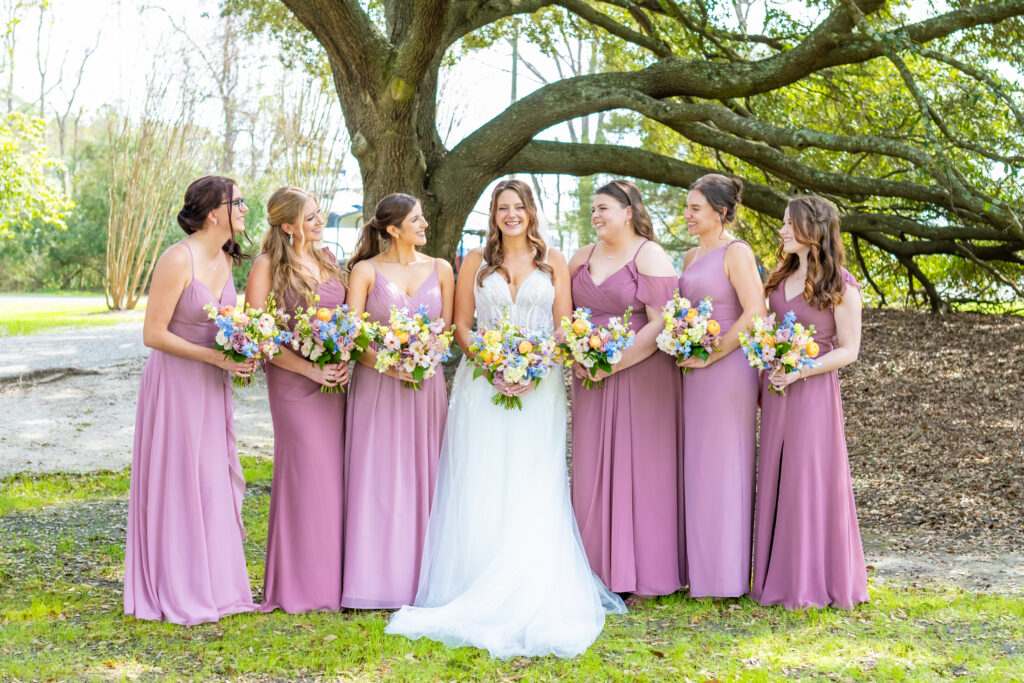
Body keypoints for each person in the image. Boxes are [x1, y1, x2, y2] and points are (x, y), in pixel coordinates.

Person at [386, 179, 626, 658]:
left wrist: (534, 370)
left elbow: (563, 325)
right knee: (484, 476)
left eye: (518, 207)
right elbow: (460, 326)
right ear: (492, 214)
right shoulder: (475, 261)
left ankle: (533, 581)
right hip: (483, 383)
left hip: (541, 387)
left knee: (534, 478)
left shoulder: (552, 260)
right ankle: (476, 577)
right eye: (502, 208)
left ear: (530, 211)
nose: (510, 215)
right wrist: (493, 364)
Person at [124, 175, 255, 625]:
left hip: (211, 384)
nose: (244, 210)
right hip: (177, 385)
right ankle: (178, 584)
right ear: (214, 212)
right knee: (182, 478)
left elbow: (228, 324)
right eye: (237, 203)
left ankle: (218, 587)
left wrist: (244, 351)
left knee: (212, 478)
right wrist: (214, 358)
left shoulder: (225, 257)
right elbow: (153, 334)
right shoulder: (176, 260)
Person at [567, 179, 685, 605]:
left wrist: (613, 363)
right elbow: (566, 317)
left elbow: (660, 323)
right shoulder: (580, 257)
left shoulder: (648, 254)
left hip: (641, 374)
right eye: (594, 209)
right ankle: (596, 570)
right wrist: (577, 356)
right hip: (591, 377)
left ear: (628, 212)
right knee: (593, 466)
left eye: (604, 208)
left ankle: (646, 575)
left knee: (640, 469)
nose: (596, 215)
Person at [750, 195, 869, 610]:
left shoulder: (840, 285)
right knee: (778, 477)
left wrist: (802, 369)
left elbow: (849, 350)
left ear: (811, 230)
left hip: (813, 391)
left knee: (808, 478)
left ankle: (810, 582)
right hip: (778, 389)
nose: (781, 230)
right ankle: (775, 577)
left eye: (788, 223)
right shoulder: (781, 275)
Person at [341, 193, 454, 609]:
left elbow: (449, 329)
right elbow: (350, 335)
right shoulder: (365, 271)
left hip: (427, 384)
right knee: (379, 475)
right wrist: (387, 365)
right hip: (378, 384)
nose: (424, 225)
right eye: (417, 220)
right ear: (393, 229)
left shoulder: (442, 268)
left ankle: (425, 580)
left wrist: (425, 357)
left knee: (427, 473)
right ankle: (374, 582)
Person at [245, 186, 348, 613]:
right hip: (293, 383)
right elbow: (258, 336)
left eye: (320, 214)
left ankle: (335, 582)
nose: (319, 223)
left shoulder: (329, 261)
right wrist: (309, 367)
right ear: (287, 225)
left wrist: (344, 354)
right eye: (310, 218)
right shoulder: (266, 266)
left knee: (334, 476)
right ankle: (299, 588)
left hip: (335, 383)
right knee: (306, 474)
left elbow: (346, 319)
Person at [677, 174, 766, 598]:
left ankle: (727, 578)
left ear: (721, 212)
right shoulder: (692, 255)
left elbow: (756, 311)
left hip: (729, 367)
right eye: (688, 207)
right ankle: (702, 572)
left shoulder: (737, 251)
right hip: (694, 368)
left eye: (696, 208)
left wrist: (715, 352)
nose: (688, 215)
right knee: (698, 464)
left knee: (725, 464)